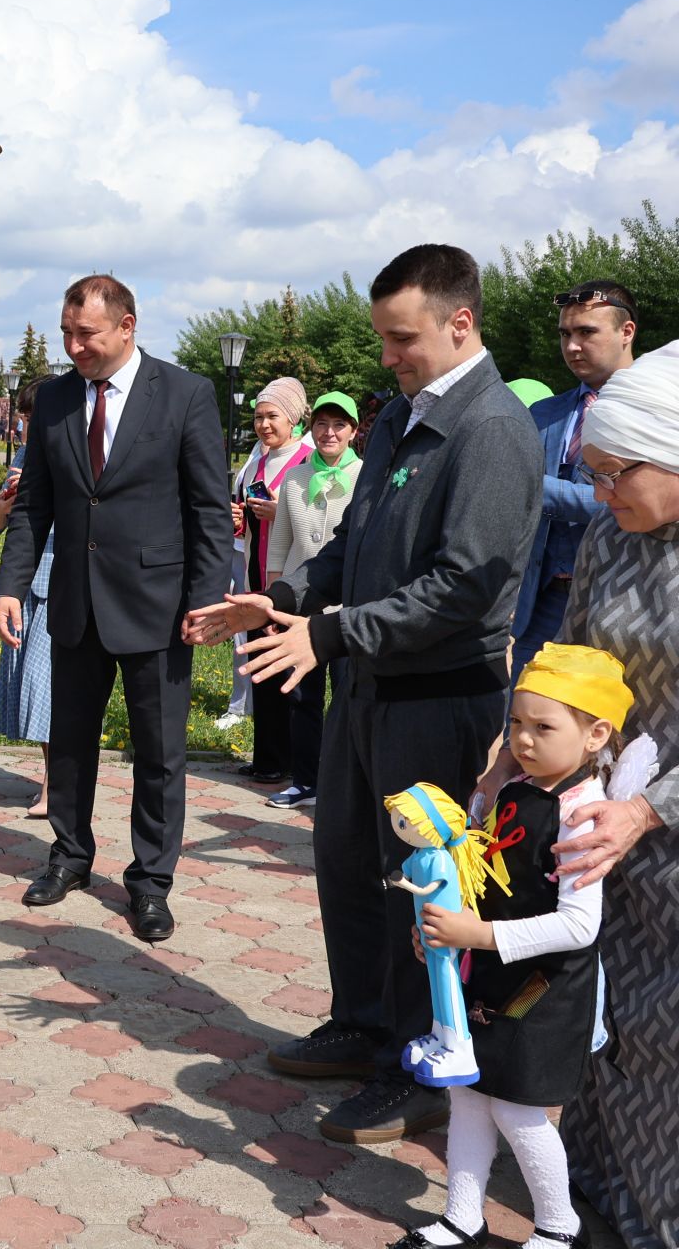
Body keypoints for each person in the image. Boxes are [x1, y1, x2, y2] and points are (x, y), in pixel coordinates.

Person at [185, 244, 543, 1144]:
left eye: (402, 337)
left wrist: (332, 633)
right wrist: (288, 599)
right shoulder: (400, 420)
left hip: (437, 698)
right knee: (347, 863)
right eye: (384, 338)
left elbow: (464, 589)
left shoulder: (493, 430)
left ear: (460, 323)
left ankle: (419, 1064)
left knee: (415, 891)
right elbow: (353, 543)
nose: (387, 355)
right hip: (369, 689)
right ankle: (364, 1023)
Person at [473, 341, 679, 1248]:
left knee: (666, 1040)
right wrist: (513, 752)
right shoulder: (611, 533)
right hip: (594, 817)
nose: (598, 494)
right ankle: (591, 1189)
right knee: (598, 1015)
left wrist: (648, 808)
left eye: (613, 474)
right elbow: (577, 657)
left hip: (659, 821)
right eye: (589, 474)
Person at [0, 274, 232, 944]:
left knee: (159, 753)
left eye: (87, 335)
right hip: (74, 600)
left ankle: (150, 883)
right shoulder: (57, 400)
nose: (74, 347)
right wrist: (9, 584)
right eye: (67, 334)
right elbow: (34, 501)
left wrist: (207, 600)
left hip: (159, 606)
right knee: (68, 745)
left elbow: (209, 508)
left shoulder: (185, 395)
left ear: (127, 326)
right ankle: (69, 856)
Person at [393, 645, 636, 1249]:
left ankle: (559, 1226)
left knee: (517, 1109)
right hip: (490, 973)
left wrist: (479, 936)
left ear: (594, 734)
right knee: (469, 1095)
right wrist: (441, 933)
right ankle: (462, 1216)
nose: (523, 740)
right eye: (517, 725)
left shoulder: (584, 814)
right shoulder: (512, 790)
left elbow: (579, 927)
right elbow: (474, 878)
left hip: (543, 990)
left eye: (543, 727)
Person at [510, 282, 635, 683]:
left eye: (587, 333)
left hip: (623, 604)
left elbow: (633, 501)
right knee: (528, 732)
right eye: (566, 334)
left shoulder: (659, 410)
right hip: (542, 607)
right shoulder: (543, 413)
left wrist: (536, 489)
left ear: (626, 332)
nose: (573, 346)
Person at [262, 392, 363, 809]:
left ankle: (343, 783)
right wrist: (271, 603)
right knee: (301, 696)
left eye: (339, 424)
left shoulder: (367, 475)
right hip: (299, 600)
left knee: (346, 695)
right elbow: (279, 544)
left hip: (347, 605)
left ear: (354, 431)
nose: (329, 432)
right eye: (321, 423)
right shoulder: (296, 477)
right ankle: (305, 781)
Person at [234, 379, 314, 787]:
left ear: (294, 417)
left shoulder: (308, 458)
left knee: (289, 672)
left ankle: (294, 764)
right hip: (255, 575)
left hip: (291, 581)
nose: (264, 425)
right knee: (261, 667)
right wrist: (241, 518)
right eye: (259, 417)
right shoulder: (256, 460)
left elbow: (318, 521)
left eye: (273, 416)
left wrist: (278, 513)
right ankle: (266, 757)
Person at [0, 383, 54, 818]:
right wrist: (4, 503)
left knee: (45, 688)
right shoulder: (24, 457)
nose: (25, 427)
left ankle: (56, 788)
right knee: (31, 688)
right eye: (23, 418)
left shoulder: (75, 457)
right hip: (25, 586)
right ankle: (54, 780)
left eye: (32, 419)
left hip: (60, 583)